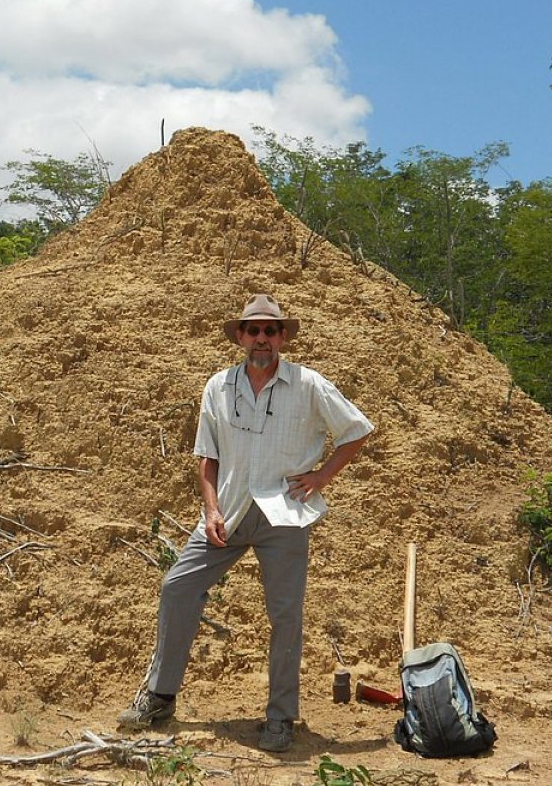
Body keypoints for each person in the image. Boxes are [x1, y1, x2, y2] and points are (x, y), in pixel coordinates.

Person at [118, 293, 374, 752]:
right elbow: (206, 457)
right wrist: (210, 510)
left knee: (285, 614)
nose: (262, 339)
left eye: (270, 331)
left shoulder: (309, 384)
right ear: (240, 336)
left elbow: (357, 430)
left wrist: (321, 476)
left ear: (282, 338)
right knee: (178, 586)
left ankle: (280, 719)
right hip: (229, 512)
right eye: (253, 330)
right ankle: (160, 696)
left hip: (285, 514)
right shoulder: (218, 387)